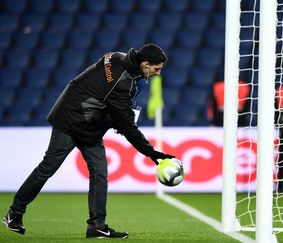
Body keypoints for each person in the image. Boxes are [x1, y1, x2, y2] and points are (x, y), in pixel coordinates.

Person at [2, 43, 175, 238]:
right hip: (70, 120)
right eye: (156, 68)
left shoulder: (117, 57)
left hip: (88, 123)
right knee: (48, 167)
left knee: (100, 173)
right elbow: (127, 126)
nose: (158, 73)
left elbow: (99, 93)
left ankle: (96, 226)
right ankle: (14, 213)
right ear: (145, 63)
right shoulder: (122, 82)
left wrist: (113, 117)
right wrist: (151, 152)